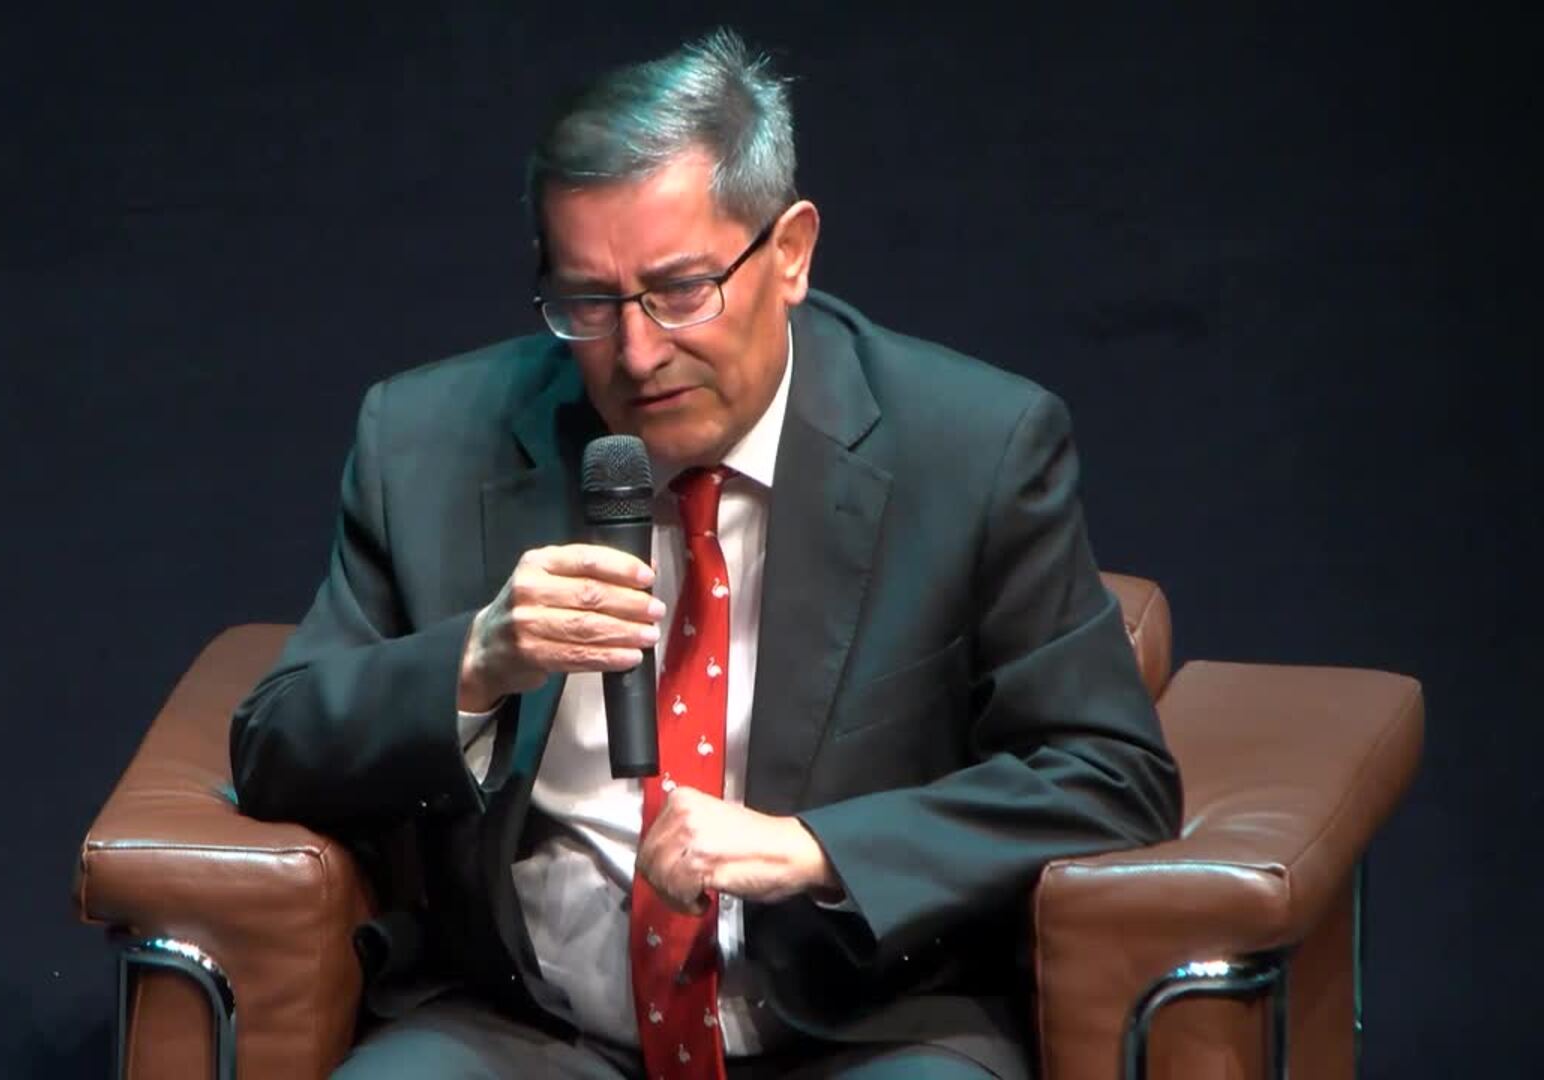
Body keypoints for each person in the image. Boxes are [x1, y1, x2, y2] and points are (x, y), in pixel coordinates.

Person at [230, 28, 1180, 1080]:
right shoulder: (426, 443)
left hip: (866, 1029)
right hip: (529, 1029)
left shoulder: (973, 449)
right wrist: (473, 665)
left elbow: (1110, 778)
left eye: (681, 290)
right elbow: (273, 744)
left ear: (791, 253)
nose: (637, 354)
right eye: (589, 303)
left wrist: (817, 848)